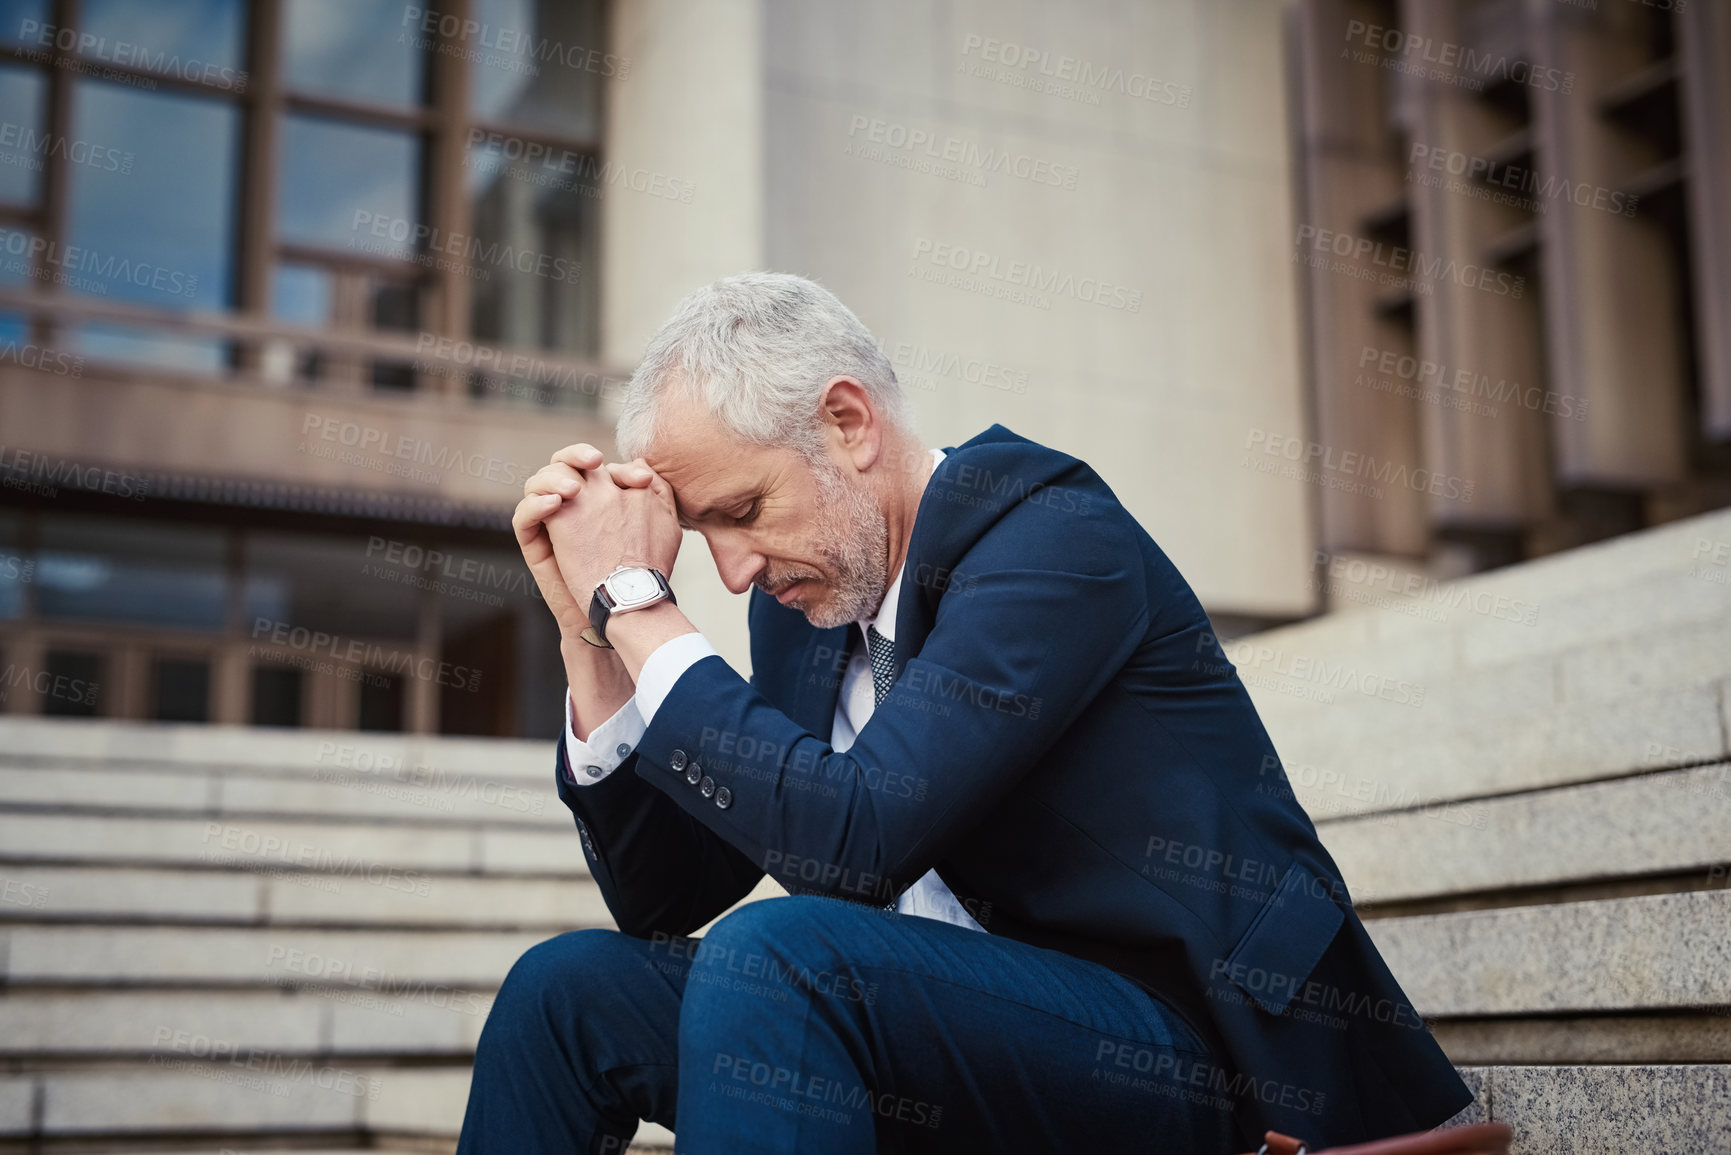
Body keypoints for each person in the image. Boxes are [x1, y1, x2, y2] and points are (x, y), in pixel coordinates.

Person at [456, 273, 1470, 1154]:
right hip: (945, 1037)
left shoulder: (1052, 539)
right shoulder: (808, 607)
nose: (732, 571)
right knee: (565, 992)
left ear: (847, 425)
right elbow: (663, 898)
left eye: (744, 513)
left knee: (778, 957)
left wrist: (639, 601)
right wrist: (590, 638)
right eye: (700, 533)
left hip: (1189, 1051)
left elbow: (853, 837)